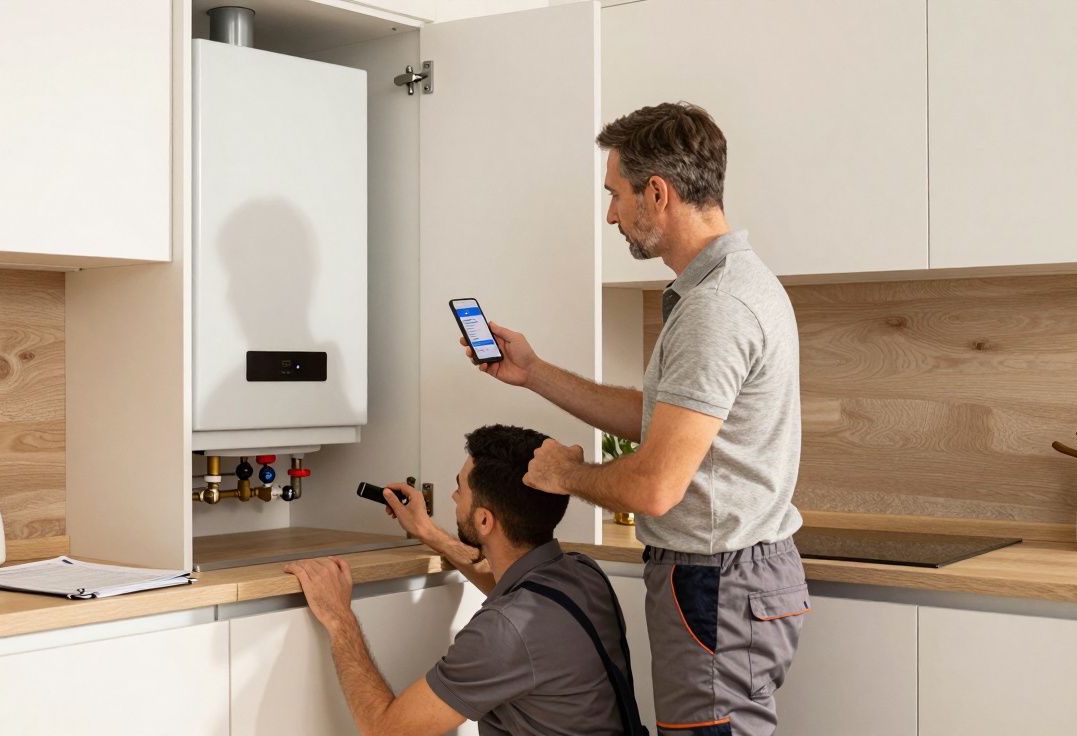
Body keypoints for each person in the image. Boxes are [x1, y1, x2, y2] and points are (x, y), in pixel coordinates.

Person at [459, 103, 809, 736]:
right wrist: (534, 372)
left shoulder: (717, 307)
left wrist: (568, 475)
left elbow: (654, 486)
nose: (611, 215)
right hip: (730, 577)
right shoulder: (730, 287)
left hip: (716, 581)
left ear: (658, 193)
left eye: (616, 195)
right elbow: (662, 419)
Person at [285, 424, 647, 736]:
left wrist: (340, 618)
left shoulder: (503, 632)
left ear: (485, 521)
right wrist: (427, 531)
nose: (453, 496)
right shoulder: (583, 574)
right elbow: (506, 589)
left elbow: (384, 729)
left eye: (460, 488)